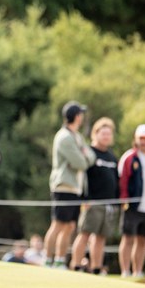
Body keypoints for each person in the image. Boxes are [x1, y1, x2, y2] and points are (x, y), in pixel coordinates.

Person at [43, 101, 96, 269]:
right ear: (76, 116)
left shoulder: (77, 137)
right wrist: (83, 157)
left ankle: (59, 260)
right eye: (80, 114)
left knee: (70, 226)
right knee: (58, 224)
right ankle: (47, 259)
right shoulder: (64, 137)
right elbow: (81, 162)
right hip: (64, 186)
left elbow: (90, 157)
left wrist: (84, 157)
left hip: (76, 188)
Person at [69, 117, 119, 274]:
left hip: (109, 204)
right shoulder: (90, 154)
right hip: (92, 202)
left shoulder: (112, 157)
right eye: (103, 133)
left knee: (100, 237)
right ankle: (76, 265)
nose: (106, 136)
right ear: (95, 134)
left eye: (109, 134)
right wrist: (85, 199)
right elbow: (81, 177)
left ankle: (96, 268)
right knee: (84, 234)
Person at [118, 123, 145, 278]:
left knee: (143, 240)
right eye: (141, 138)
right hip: (132, 206)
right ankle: (125, 271)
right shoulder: (129, 157)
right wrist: (124, 200)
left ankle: (138, 271)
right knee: (128, 238)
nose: (144, 141)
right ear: (136, 139)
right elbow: (123, 180)